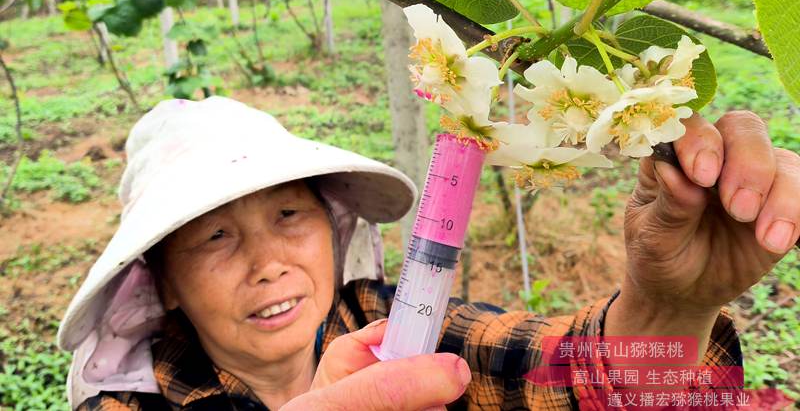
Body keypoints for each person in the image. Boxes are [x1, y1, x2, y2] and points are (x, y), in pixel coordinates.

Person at [57, 96, 800, 410]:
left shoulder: (384, 321)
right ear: (166, 282)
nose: (267, 261)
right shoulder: (124, 404)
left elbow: (569, 379)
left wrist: (673, 302)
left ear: (331, 228)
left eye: (289, 213)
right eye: (215, 235)